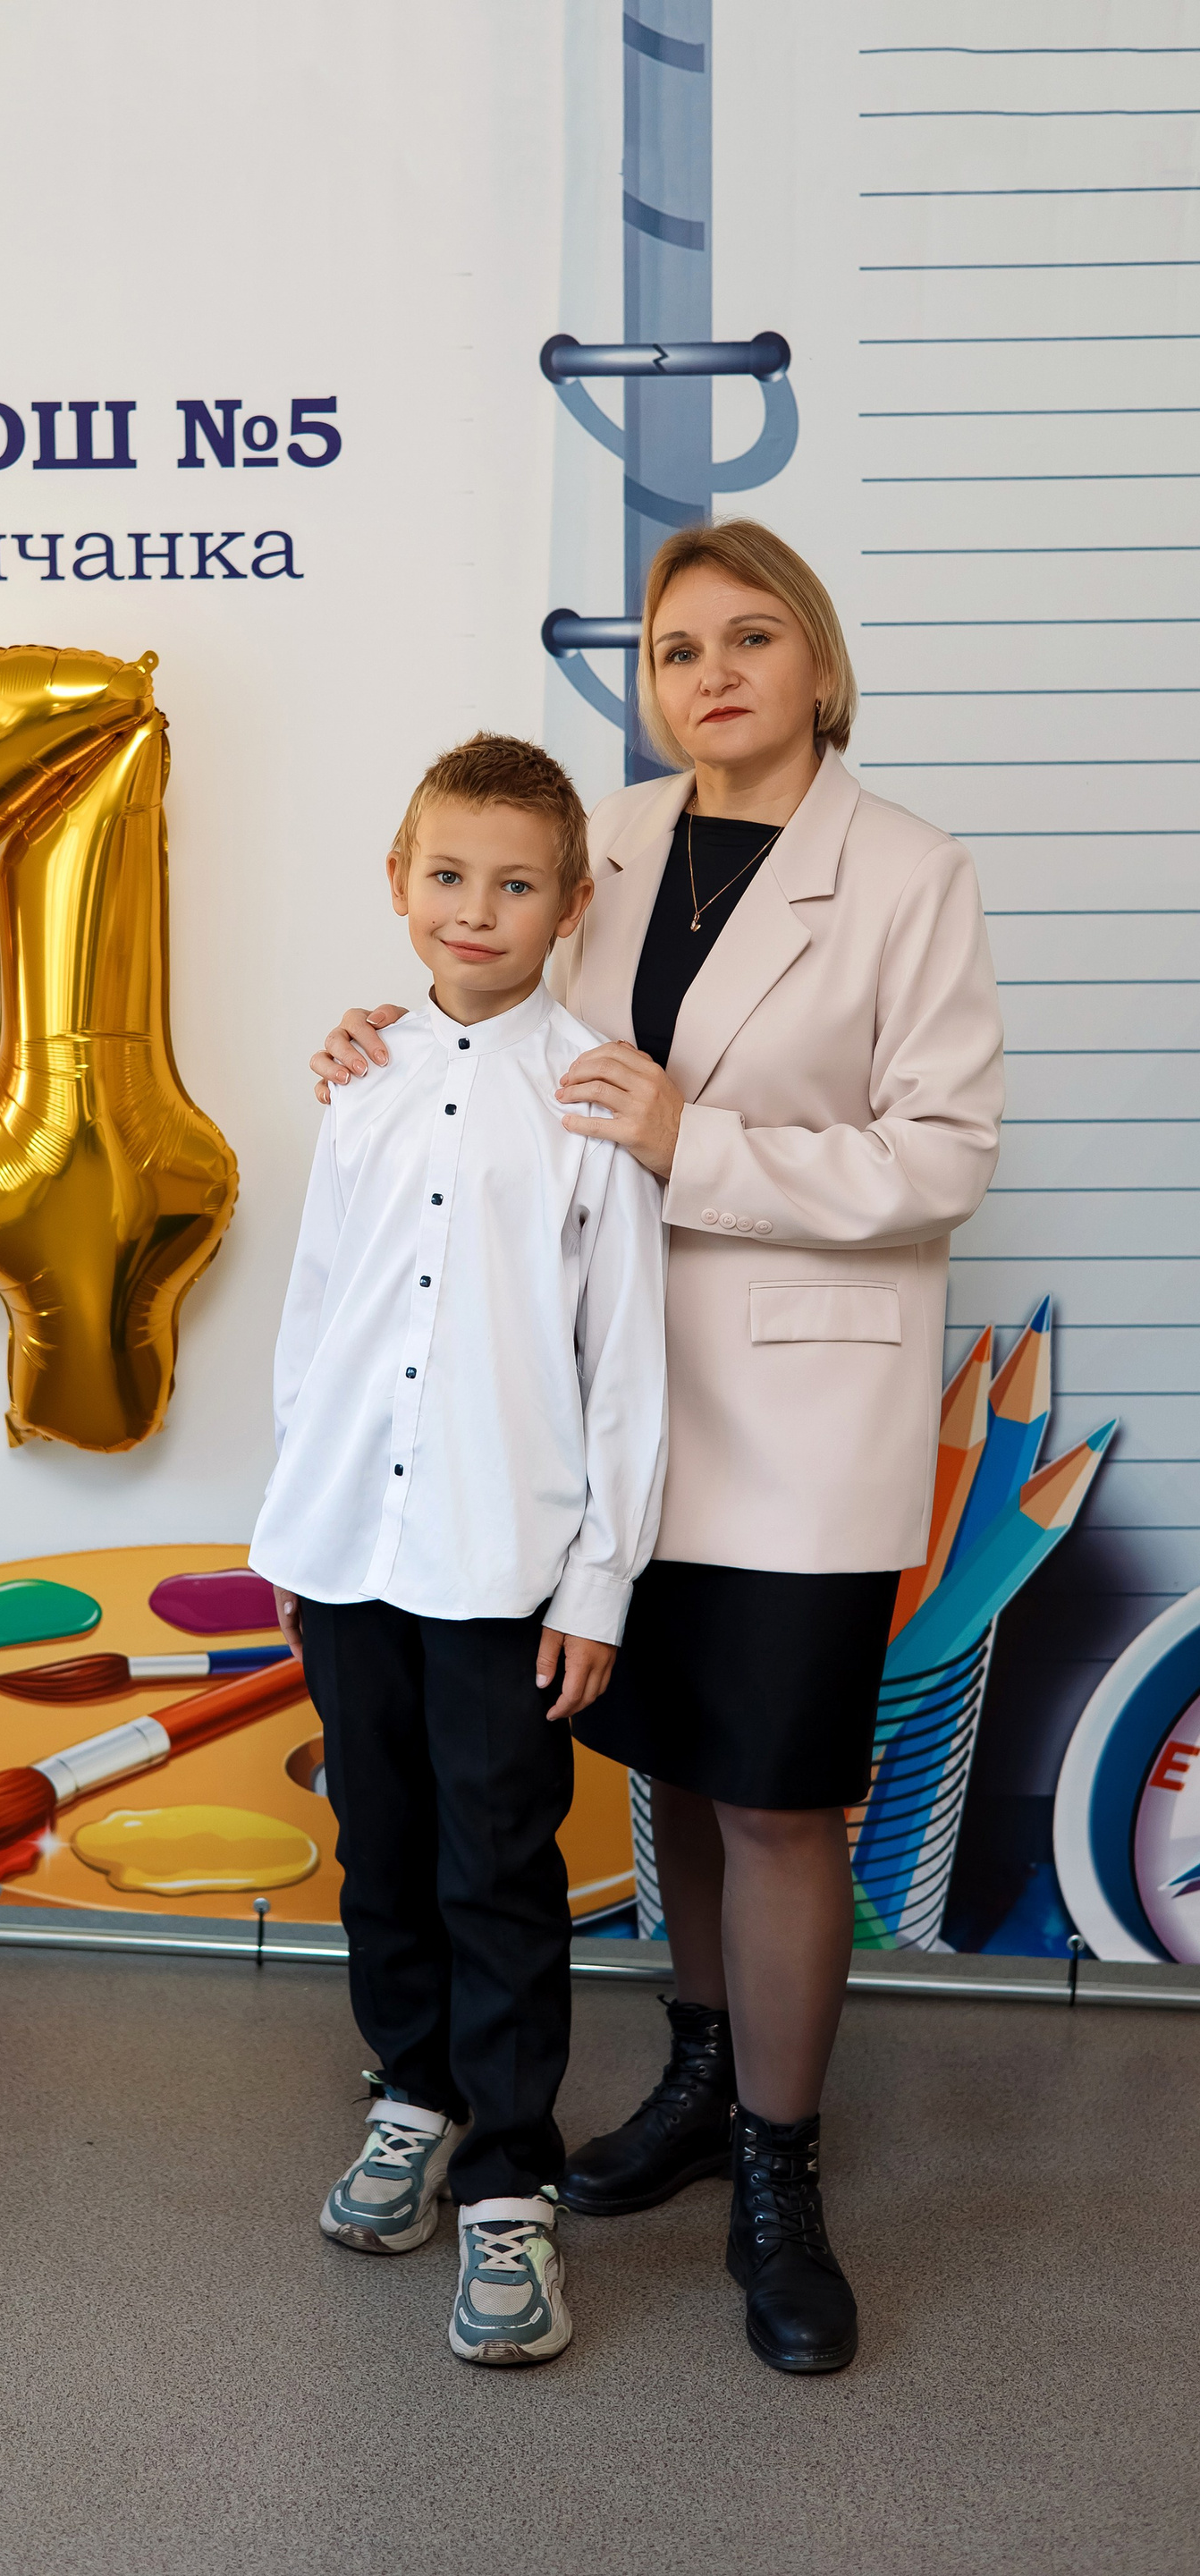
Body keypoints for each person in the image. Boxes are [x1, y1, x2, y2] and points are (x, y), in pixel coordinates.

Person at [310, 521, 1003, 2376]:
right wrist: (385, 1043)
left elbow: (942, 1156)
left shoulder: (910, 871)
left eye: (750, 636)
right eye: (676, 647)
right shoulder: (602, 839)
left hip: (793, 1402)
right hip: (581, 1406)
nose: (711, 673)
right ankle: (699, 2078)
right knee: (678, 1771)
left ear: (818, 663)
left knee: (777, 1792)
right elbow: (496, 1005)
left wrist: (704, 1145)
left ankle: (782, 2169)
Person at [250, 733, 667, 2368]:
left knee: (497, 1866)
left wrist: (600, 1580)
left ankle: (510, 2184)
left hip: (505, 1557)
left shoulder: (592, 1095)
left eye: (514, 884)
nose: (474, 909)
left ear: (569, 907)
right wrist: (299, 1526)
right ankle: (411, 2099)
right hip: (349, 1543)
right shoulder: (359, 1079)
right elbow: (317, 1319)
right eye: (446, 876)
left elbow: (625, 1364)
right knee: (382, 1843)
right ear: (398, 882)